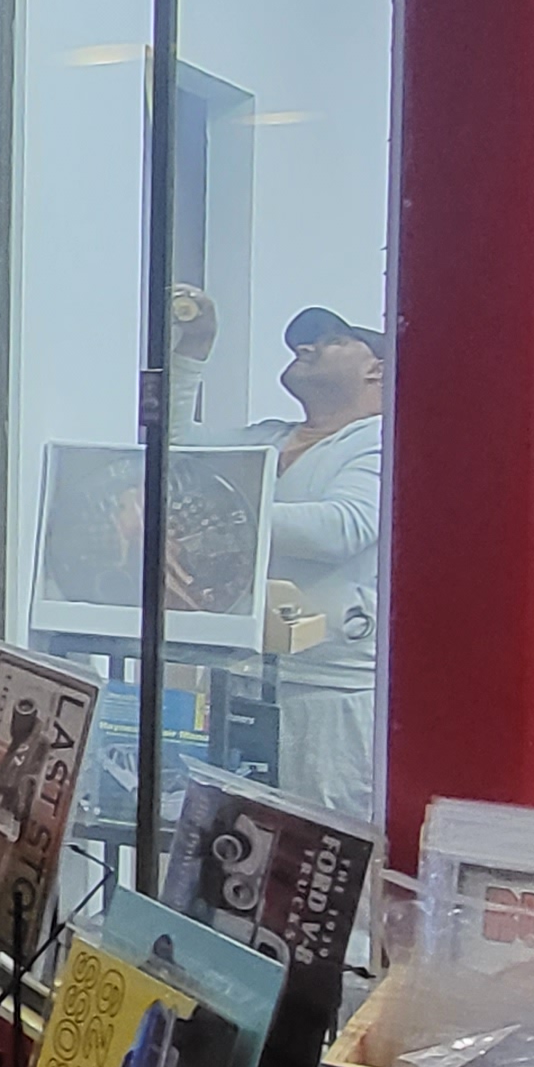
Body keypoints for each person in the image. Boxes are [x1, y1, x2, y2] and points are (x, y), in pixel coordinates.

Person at [172, 295, 385, 820]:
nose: (306, 347)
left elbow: (343, 527)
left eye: (333, 340)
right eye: (302, 343)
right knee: (241, 847)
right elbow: (172, 450)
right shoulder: (270, 438)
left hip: (330, 691)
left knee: (319, 844)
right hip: (248, 678)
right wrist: (194, 348)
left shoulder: (381, 440)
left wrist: (223, 517)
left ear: (377, 370)